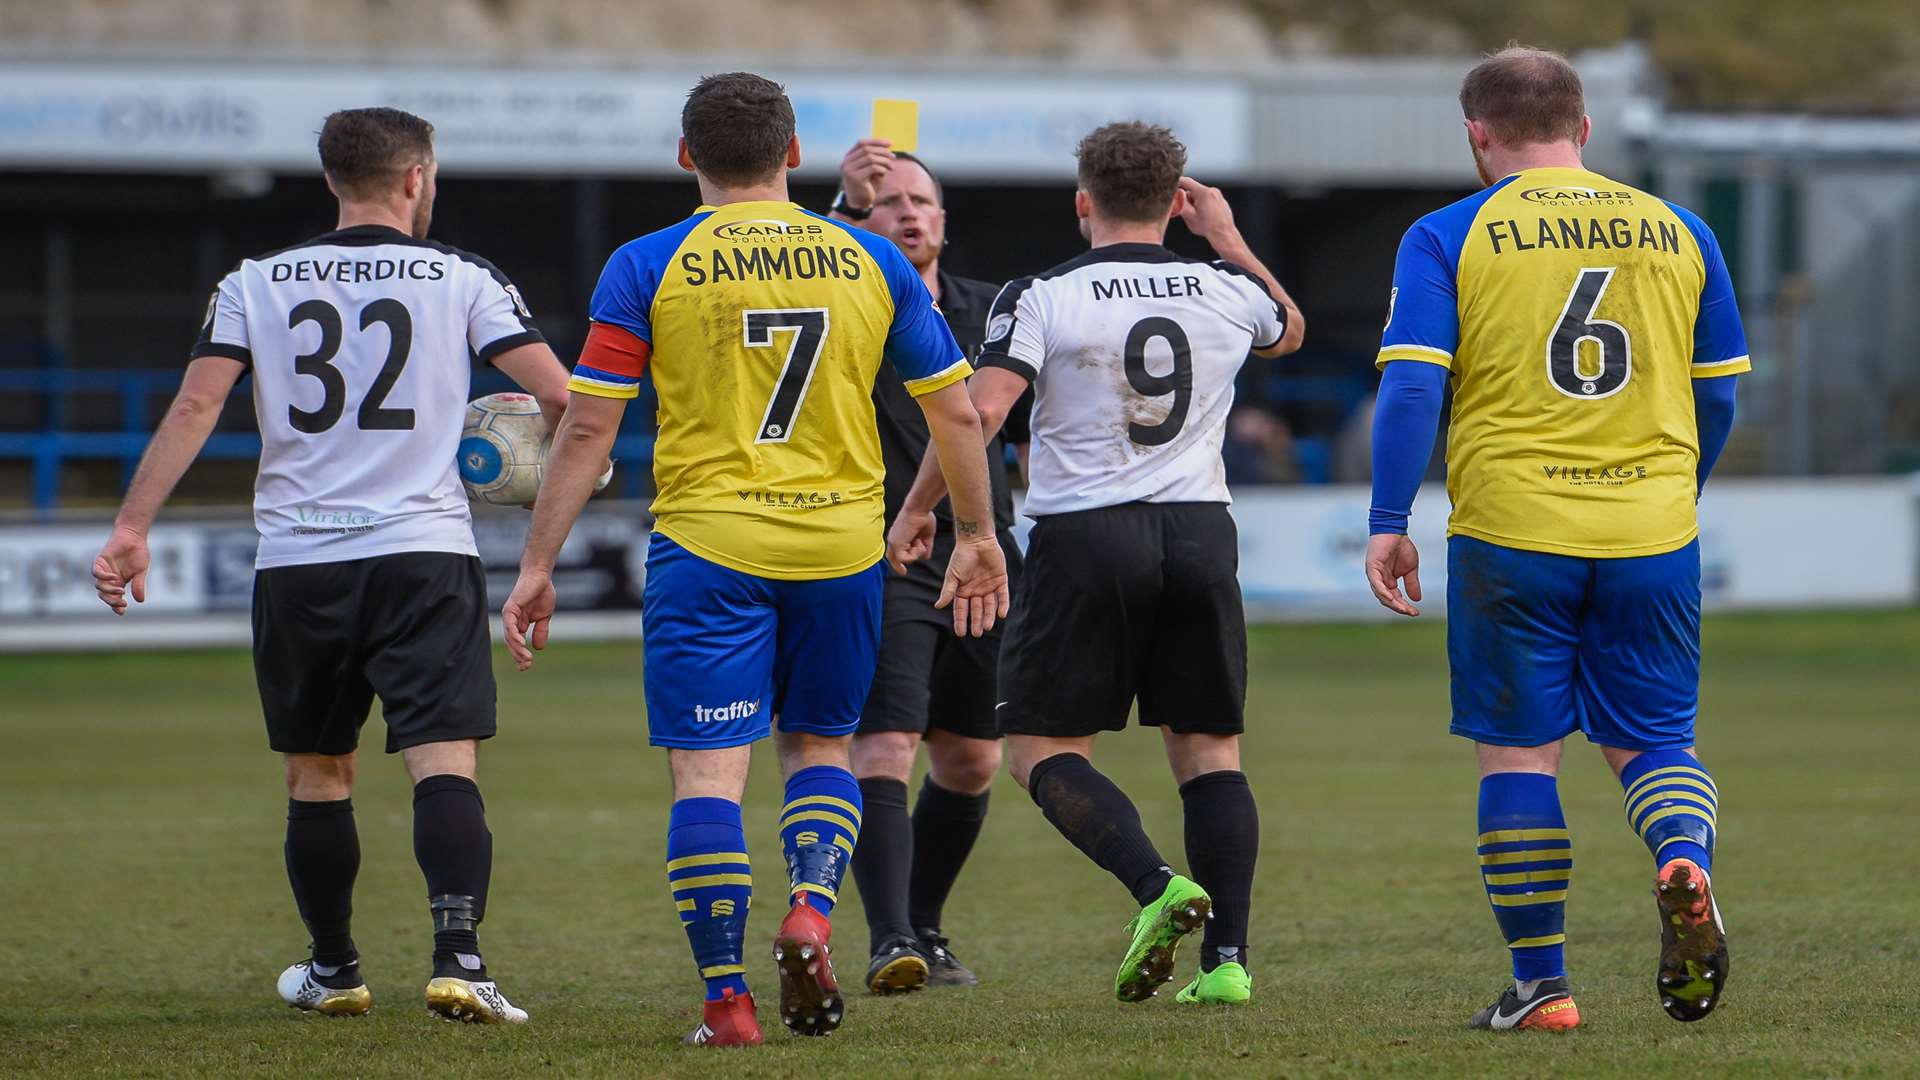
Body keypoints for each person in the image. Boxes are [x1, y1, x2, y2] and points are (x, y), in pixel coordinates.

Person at [498, 73, 1007, 1048]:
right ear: (794, 157)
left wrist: (537, 564)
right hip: (840, 548)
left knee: (708, 778)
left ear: (686, 157)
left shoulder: (647, 262)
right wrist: (977, 534)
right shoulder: (872, 258)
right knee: (820, 748)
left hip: (708, 547)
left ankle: (728, 1002)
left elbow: (588, 426)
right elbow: (955, 410)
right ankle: (813, 911)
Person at [91, 107, 573, 1024]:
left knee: (319, 774)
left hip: (301, 560)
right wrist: (527, 448)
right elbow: (562, 395)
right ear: (417, 178)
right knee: (445, 765)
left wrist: (130, 526)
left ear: (329, 181)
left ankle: (335, 968)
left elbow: (197, 406)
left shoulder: (255, 282)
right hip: (423, 552)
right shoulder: (462, 277)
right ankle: (460, 959)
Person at [1365, 46, 1747, 1031]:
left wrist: (1387, 521)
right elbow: (1724, 394)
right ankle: (1682, 863)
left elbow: (1413, 383)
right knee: (1654, 741)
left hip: (1512, 528)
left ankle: (1543, 989)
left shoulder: (1449, 232)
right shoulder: (1682, 229)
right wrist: (1676, 490)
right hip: (1651, 529)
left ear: (1476, 134)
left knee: (1519, 759)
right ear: (1584, 129)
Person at [888, 121, 1305, 1006]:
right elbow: (1289, 332)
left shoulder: (1038, 293)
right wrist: (1225, 239)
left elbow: (983, 412)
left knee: (1040, 747)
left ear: (1084, 202)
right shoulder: (1225, 285)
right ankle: (1227, 963)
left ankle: (1158, 887)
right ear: (1176, 202)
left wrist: (925, 510)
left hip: (1086, 534)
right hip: (1200, 530)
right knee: (1211, 752)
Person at [828, 139, 1027, 994]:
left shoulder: (993, 312)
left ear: (946, 219)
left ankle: (925, 926)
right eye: (886, 202)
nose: (908, 212)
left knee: (972, 760)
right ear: (859, 222)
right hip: (885, 550)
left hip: (982, 552)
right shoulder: (854, 299)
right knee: (886, 742)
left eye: (922, 200)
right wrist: (841, 209)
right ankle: (890, 939)